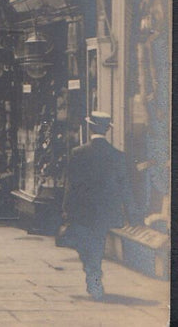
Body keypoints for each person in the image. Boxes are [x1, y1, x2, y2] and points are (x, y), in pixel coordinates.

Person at [62, 112, 130, 301]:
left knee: (84, 245)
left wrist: (66, 208)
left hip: (82, 209)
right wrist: (130, 212)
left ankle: (93, 275)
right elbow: (124, 187)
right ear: (107, 129)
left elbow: (71, 185)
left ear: (90, 127)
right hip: (104, 210)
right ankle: (93, 275)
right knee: (97, 242)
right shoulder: (117, 155)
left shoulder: (78, 153)